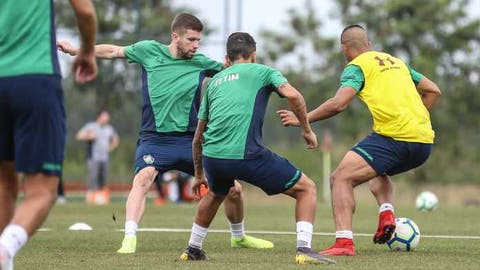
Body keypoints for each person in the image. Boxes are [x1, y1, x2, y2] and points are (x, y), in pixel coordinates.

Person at [58, 12, 273, 254]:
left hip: (190, 142)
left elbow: (233, 71)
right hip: (155, 139)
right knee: (142, 179)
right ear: (175, 36)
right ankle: (129, 239)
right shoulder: (148, 51)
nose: (196, 45)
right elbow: (113, 51)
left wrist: (256, 71)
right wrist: (77, 50)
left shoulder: (201, 63)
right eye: (191, 40)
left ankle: (239, 237)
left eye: (198, 41)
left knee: (233, 189)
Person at [278, 24, 441, 256]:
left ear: (345, 48)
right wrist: (417, 119)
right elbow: (433, 90)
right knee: (377, 171)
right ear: (369, 45)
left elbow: (338, 104)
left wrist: (302, 118)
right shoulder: (397, 62)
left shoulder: (357, 67)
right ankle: (387, 214)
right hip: (424, 143)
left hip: (395, 138)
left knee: (340, 177)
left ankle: (344, 243)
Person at [179, 32, 335, 265]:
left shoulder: (213, 82)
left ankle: (193, 249)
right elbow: (294, 96)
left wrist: (199, 174)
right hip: (246, 154)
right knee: (307, 189)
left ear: (227, 58)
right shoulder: (264, 71)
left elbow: (198, 137)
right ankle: (304, 249)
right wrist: (306, 129)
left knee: (216, 193)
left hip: (213, 157)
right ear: (254, 55)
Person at [0, 0, 97, 269]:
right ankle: (5, 249)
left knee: (4, 184)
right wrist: (87, 51)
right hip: (35, 78)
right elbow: (85, 11)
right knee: (42, 192)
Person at [76, 110, 119, 204]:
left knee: (103, 178)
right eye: (105, 117)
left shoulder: (109, 128)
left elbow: (115, 139)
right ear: (99, 117)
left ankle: (100, 199)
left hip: (105, 158)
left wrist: (111, 147)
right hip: (93, 157)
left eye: (107, 118)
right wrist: (89, 136)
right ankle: (91, 199)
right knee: (93, 177)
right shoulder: (91, 126)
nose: (107, 119)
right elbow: (79, 136)